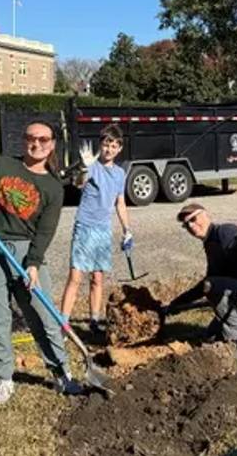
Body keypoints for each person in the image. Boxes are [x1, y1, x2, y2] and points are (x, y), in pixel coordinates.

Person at [0, 120, 82, 404]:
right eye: (30, 138)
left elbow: (46, 230)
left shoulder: (53, 186)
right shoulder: (2, 165)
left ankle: (62, 373)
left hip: (27, 253)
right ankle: (4, 378)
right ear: (23, 140)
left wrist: (34, 263)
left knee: (45, 316)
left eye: (43, 139)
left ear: (52, 144)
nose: (36, 143)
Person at [162, 203, 237, 344]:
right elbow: (205, 284)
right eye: (186, 225)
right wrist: (176, 303)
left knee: (213, 286)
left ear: (205, 215)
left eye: (193, 219)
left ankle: (235, 335)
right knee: (211, 335)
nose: (190, 226)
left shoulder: (224, 232)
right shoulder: (210, 244)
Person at [60, 125, 133, 334]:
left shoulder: (120, 173)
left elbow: (120, 202)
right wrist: (84, 168)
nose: (108, 149)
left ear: (119, 149)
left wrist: (127, 230)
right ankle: (63, 324)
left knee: (97, 278)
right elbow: (79, 184)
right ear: (100, 145)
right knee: (75, 277)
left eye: (113, 146)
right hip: (85, 226)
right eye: (105, 144)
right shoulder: (92, 166)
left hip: (103, 229)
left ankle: (94, 321)